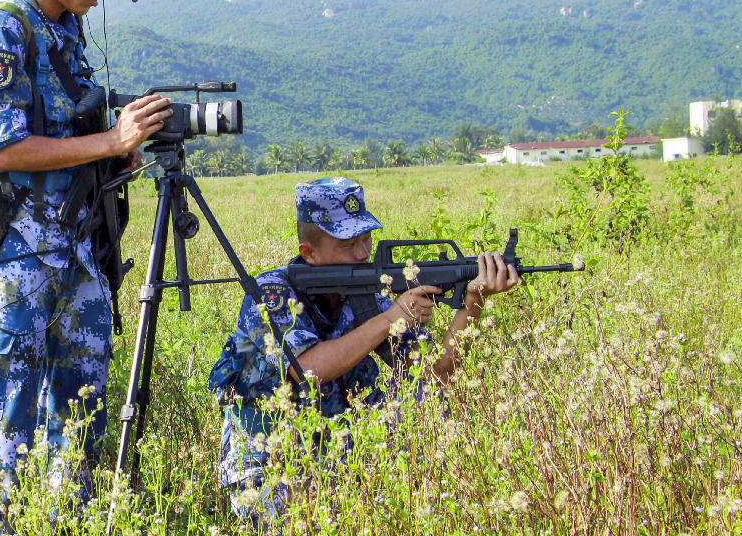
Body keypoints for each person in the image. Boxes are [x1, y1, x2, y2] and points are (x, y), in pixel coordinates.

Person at [0, 0, 172, 532]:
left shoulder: (66, 32)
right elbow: (6, 148)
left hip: (77, 252)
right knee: (0, 421)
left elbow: (68, 135)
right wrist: (110, 142)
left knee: (83, 419)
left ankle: (68, 522)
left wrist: (115, 159)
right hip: (18, 260)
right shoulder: (2, 32)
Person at [207, 177, 520, 525]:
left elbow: (434, 375)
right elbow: (309, 369)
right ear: (307, 252)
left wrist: (473, 302)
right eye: (347, 243)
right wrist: (391, 318)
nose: (362, 252)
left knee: (424, 398)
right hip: (269, 459)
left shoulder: (370, 295)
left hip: (344, 452)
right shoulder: (269, 293)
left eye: (365, 238)